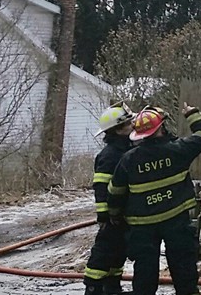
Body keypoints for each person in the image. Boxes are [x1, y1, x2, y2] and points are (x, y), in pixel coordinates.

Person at [107, 103, 201, 295]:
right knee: (184, 268)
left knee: (145, 273)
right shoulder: (179, 150)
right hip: (176, 220)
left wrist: (114, 216)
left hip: (142, 225)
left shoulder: (129, 160)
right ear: (162, 127)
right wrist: (193, 114)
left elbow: (115, 192)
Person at [83, 102, 133, 295]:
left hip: (123, 213)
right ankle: (93, 288)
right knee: (103, 252)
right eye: (128, 124)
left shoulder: (125, 149)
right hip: (112, 216)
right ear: (119, 130)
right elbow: (101, 187)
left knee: (118, 252)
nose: (132, 126)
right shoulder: (110, 155)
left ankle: (112, 287)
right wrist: (104, 216)